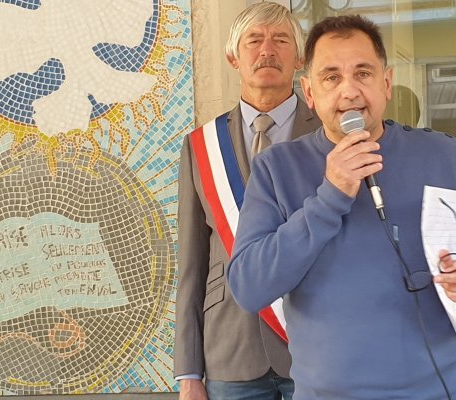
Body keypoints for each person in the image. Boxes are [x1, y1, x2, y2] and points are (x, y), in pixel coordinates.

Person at [227, 15, 456, 399]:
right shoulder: (277, 168)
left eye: (363, 73)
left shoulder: (443, 155)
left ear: (386, 84)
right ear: (309, 93)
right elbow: (249, 287)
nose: (349, 91)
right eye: (331, 77)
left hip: (434, 390)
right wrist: (330, 196)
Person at [173, 3, 321, 400]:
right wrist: (189, 373)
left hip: (316, 345)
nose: (267, 50)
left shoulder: (329, 136)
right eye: (254, 40)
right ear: (233, 56)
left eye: (281, 40)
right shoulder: (201, 146)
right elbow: (192, 264)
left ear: (301, 57)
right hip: (230, 352)